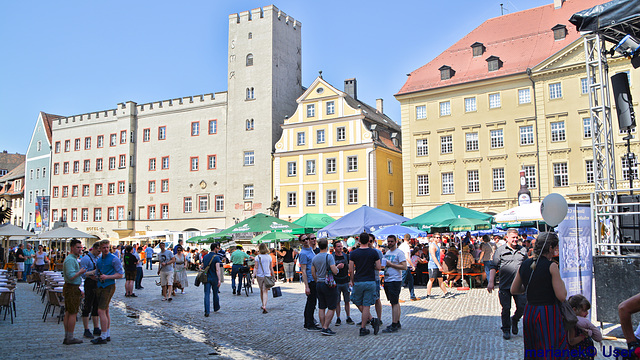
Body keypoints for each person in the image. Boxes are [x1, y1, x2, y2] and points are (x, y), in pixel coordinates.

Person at [511, 232, 569, 357]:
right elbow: (562, 296)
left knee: (533, 349)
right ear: (550, 248)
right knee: (550, 349)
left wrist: (529, 288)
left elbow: (514, 289)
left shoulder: (525, 264)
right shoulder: (551, 266)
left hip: (530, 311)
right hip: (547, 312)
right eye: (555, 247)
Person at [488, 228, 527, 340]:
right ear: (507, 238)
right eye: (513, 237)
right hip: (505, 285)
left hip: (520, 286)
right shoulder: (500, 250)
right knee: (506, 308)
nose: (515, 240)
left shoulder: (523, 250)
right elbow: (493, 267)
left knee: (522, 307)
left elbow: (527, 266)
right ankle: (506, 329)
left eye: (516, 237)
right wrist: (491, 282)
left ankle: (514, 320)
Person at [88, 240, 124, 345]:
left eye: (107, 247)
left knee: (101, 311)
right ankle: (106, 334)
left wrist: (107, 276)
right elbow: (98, 272)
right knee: (105, 310)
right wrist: (95, 276)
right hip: (100, 285)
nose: (106, 249)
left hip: (108, 286)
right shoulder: (99, 260)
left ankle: (103, 336)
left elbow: (120, 274)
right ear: (100, 248)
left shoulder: (114, 259)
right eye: (103, 248)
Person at [349, 232, 382, 336]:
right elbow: (379, 267)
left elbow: (350, 269)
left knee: (355, 300)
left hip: (359, 280)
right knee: (366, 304)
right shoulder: (373, 252)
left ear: (358, 241)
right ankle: (365, 326)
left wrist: (352, 280)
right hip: (370, 280)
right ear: (368, 241)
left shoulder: (354, 253)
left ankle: (370, 322)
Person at [311, 238, 339, 336]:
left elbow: (313, 272)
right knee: (332, 306)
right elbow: (334, 270)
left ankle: (323, 326)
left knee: (321, 307)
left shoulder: (315, 258)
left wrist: (317, 280)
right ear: (327, 245)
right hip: (328, 284)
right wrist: (337, 269)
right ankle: (326, 327)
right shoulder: (329, 257)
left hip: (319, 283)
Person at [62, 239, 86, 345]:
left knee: (69, 312)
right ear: (72, 248)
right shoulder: (70, 260)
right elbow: (71, 276)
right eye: (78, 247)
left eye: (81, 247)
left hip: (72, 287)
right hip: (71, 287)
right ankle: (70, 337)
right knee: (72, 313)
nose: (80, 249)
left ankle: (68, 336)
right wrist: (80, 272)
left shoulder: (72, 259)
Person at [381, 235, 407, 333]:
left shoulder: (399, 253)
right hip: (387, 279)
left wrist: (391, 264)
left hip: (395, 280)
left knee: (394, 302)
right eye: (388, 241)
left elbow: (404, 266)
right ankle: (397, 322)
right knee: (394, 302)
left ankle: (394, 324)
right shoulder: (387, 252)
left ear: (396, 242)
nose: (390, 243)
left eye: (391, 241)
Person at [568, 294, 602, 359]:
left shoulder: (584, 323)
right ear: (574, 310)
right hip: (578, 354)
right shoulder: (572, 324)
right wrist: (583, 336)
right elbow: (571, 341)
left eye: (587, 310)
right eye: (584, 310)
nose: (587, 313)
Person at [80, 242, 101, 339]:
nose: (99, 252)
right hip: (89, 284)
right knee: (87, 306)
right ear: (94, 248)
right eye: (98, 250)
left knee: (96, 306)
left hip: (97, 284)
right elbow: (83, 273)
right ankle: (86, 329)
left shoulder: (98, 258)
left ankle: (96, 327)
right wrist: (92, 273)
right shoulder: (86, 259)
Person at [299, 234, 320, 331]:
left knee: (312, 302)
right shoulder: (303, 253)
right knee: (311, 302)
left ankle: (310, 321)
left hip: (314, 278)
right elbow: (303, 271)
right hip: (310, 279)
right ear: (301, 242)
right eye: (304, 240)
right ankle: (308, 323)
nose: (306, 241)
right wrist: (306, 286)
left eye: (307, 239)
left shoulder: (311, 250)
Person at [333, 240, 354, 326]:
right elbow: (329, 270)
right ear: (334, 248)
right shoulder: (332, 257)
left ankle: (348, 316)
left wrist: (351, 280)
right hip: (336, 281)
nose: (340, 248)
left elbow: (350, 268)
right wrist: (337, 267)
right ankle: (338, 318)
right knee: (337, 301)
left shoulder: (346, 256)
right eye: (338, 246)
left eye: (341, 246)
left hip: (345, 281)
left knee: (347, 301)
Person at [427, 234, 453, 299]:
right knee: (431, 280)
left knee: (440, 279)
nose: (438, 239)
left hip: (437, 265)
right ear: (434, 238)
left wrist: (440, 265)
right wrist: (438, 265)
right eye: (437, 237)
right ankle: (428, 294)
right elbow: (433, 256)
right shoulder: (432, 246)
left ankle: (446, 293)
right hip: (433, 265)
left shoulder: (437, 246)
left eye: (439, 237)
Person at [201, 243, 222, 316]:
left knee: (206, 294)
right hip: (214, 278)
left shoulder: (205, 256)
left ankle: (207, 311)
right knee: (215, 293)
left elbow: (202, 266)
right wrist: (219, 279)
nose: (218, 249)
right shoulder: (216, 257)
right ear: (215, 248)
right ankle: (216, 307)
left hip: (206, 277)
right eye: (218, 248)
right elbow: (217, 269)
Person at [253, 243, 275, 314]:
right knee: (265, 290)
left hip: (259, 276)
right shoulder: (269, 257)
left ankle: (263, 304)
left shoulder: (257, 257)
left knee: (261, 290)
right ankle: (264, 305)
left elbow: (255, 267)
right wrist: (274, 276)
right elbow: (271, 268)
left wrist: (253, 276)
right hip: (267, 275)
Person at [398, 235, 417, 301]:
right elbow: (407, 257)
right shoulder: (406, 246)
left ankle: (412, 296)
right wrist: (412, 265)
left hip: (401, 264)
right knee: (401, 281)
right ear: (410, 240)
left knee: (410, 280)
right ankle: (397, 297)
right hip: (405, 265)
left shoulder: (401, 245)